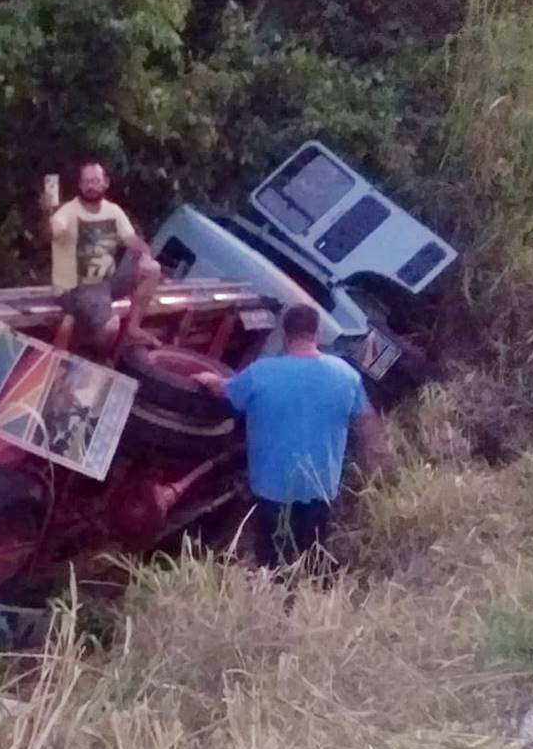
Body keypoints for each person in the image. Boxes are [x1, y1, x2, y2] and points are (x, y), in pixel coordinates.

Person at [193, 304, 397, 571]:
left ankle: (273, 598)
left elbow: (226, 392)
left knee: (270, 561)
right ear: (317, 332)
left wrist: (208, 378)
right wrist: (384, 464)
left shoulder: (261, 372)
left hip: (270, 491)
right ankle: (306, 601)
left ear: (285, 332)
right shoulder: (346, 375)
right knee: (311, 557)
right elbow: (368, 424)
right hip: (319, 490)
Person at [39, 161, 161, 352]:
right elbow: (49, 233)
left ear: (105, 183)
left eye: (95, 181)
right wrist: (47, 213)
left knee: (153, 268)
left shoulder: (113, 211)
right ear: (80, 186)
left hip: (104, 283)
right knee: (111, 325)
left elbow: (133, 240)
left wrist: (145, 254)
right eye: (86, 182)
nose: (91, 186)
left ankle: (133, 328)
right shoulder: (68, 211)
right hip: (74, 288)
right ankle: (94, 354)